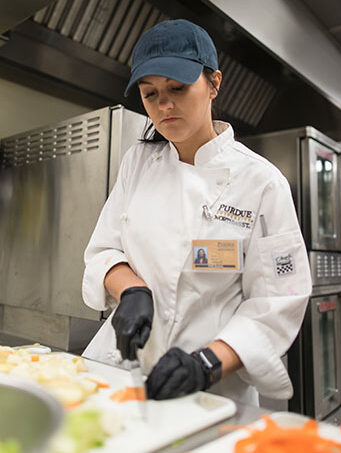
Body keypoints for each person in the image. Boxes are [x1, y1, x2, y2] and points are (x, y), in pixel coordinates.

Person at [81, 19, 312, 404]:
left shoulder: (262, 183)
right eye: (150, 94)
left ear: (214, 83)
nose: (164, 105)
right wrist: (131, 289)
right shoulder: (138, 161)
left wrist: (207, 363)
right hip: (123, 373)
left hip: (213, 389)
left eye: (178, 88)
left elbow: (278, 301)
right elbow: (104, 251)